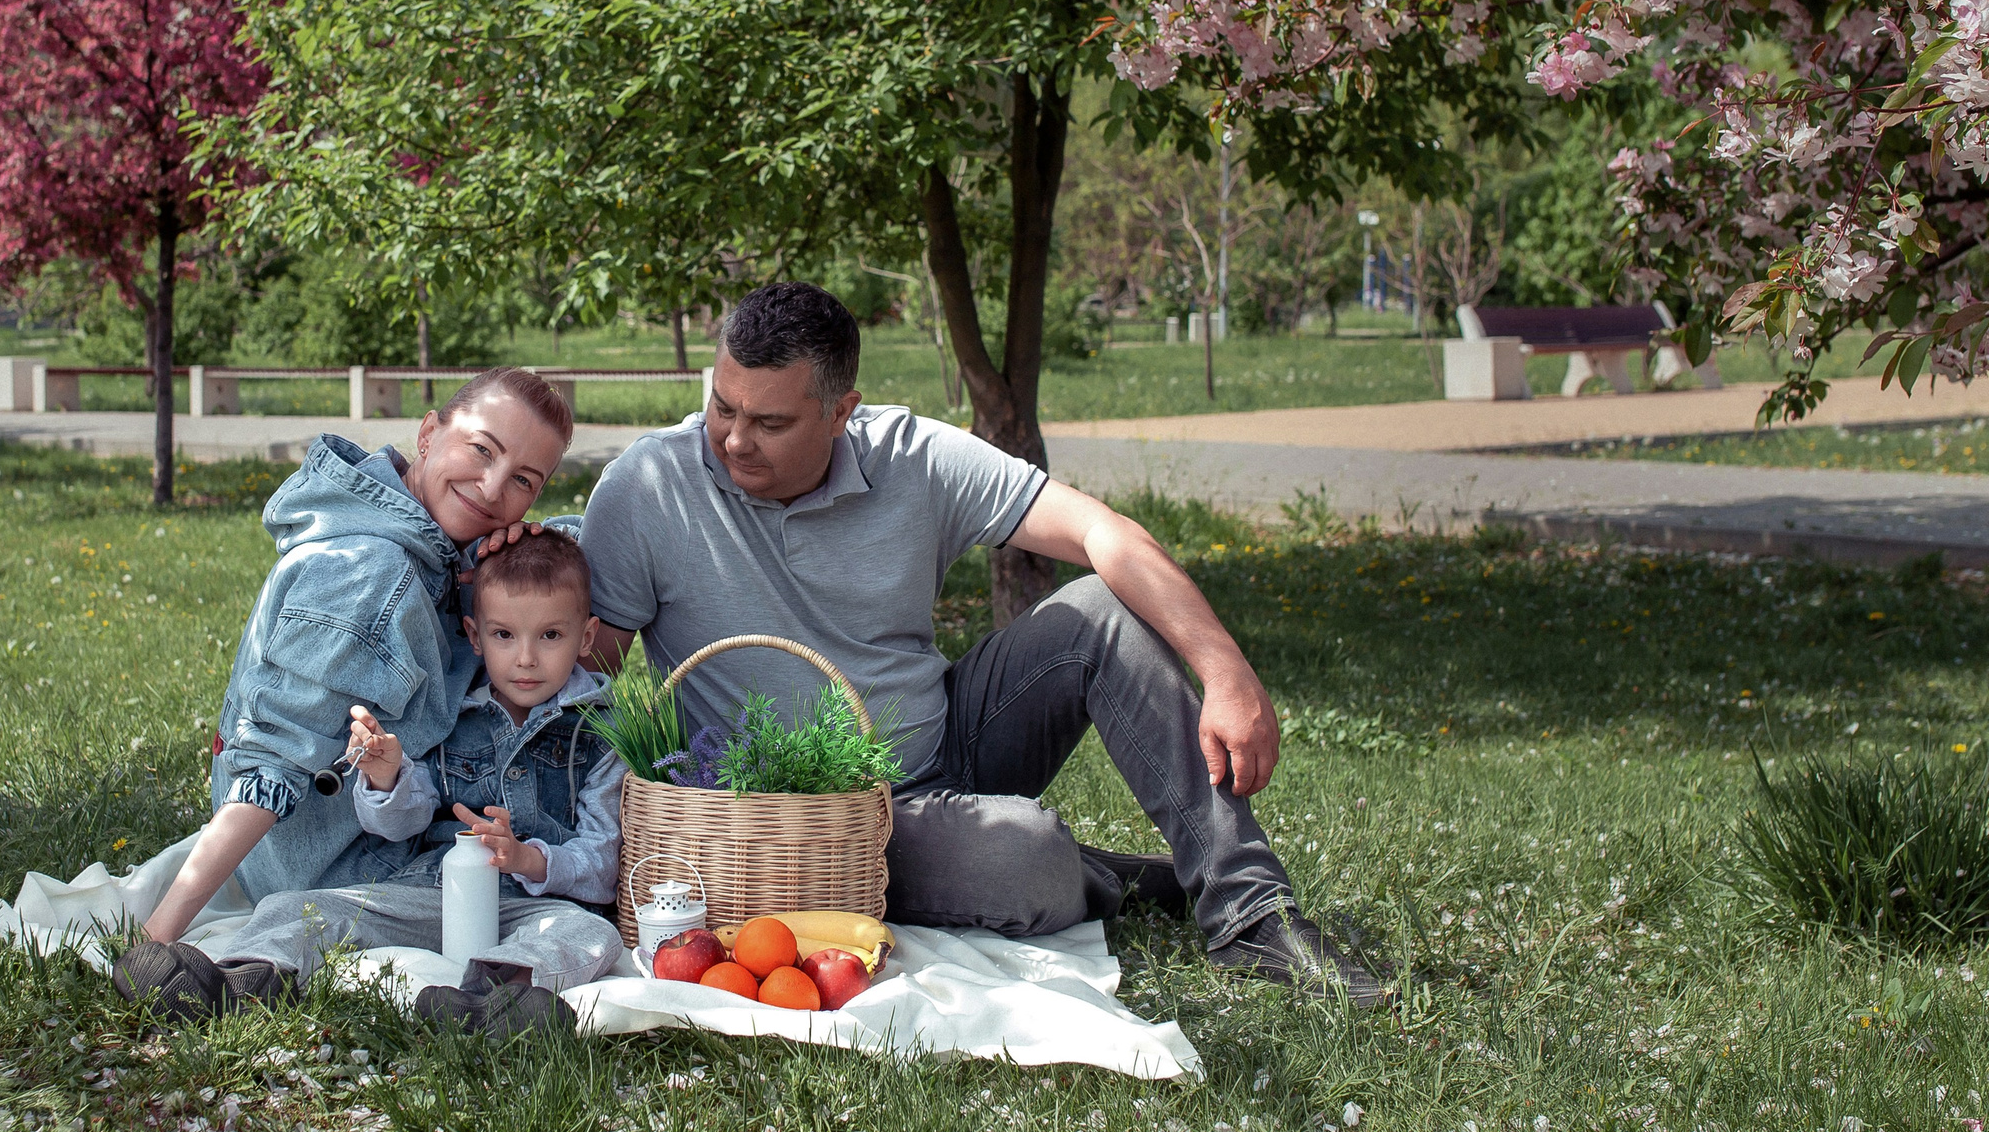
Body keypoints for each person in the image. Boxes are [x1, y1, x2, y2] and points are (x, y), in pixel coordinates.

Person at [555, 281, 1388, 1005]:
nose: (734, 438)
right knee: (1029, 859)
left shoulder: (912, 456)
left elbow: (1101, 531)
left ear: (842, 412)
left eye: (769, 421)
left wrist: (1227, 670)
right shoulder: (650, 485)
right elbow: (584, 666)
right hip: (812, 825)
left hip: (950, 739)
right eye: (723, 406)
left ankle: (1252, 916)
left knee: (1101, 605)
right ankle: (1107, 874)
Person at [129, 367, 573, 958]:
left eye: (522, 479)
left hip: (372, 830)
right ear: (428, 434)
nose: (493, 490)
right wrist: (158, 937)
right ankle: (263, 960)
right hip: (346, 869)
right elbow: (277, 757)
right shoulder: (372, 574)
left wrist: (524, 552)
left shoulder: (426, 545)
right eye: (481, 450)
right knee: (564, 910)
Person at [120, 527, 625, 1036]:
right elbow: (402, 824)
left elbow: (603, 863)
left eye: (551, 636)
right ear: (475, 636)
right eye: (504, 635)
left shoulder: (603, 734)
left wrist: (528, 860)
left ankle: (496, 1002)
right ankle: (239, 979)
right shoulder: (454, 711)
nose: (526, 658)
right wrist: (387, 779)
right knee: (297, 907)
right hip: (435, 891)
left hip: (536, 906)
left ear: (586, 637)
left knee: (589, 934)